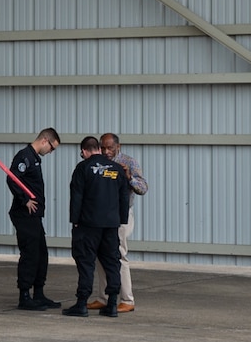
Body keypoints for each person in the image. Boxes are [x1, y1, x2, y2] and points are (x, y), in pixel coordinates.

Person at [65, 136, 130, 318]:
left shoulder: (83, 168)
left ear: (85, 151)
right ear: (99, 149)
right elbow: (123, 197)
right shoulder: (116, 169)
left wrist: (75, 220)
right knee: (112, 263)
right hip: (111, 225)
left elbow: (76, 196)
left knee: (86, 263)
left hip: (88, 224)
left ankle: (82, 303)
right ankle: (112, 304)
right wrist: (121, 219)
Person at [9, 129, 61, 310]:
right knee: (30, 254)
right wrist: (25, 200)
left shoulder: (35, 158)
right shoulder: (25, 156)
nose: (51, 152)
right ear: (45, 140)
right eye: (52, 148)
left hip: (35, 215)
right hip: (25, 215)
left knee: (41, 254)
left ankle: (38, 293)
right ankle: (24, 295)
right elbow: (13, 178)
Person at [101, 133, 149, 313]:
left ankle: (127, 299)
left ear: (118, 147)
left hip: (121, 215)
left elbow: (143, 188)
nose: (106, 151)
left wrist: (129, 178)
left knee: (119, 254)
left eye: (110, 148)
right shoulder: (100, 162)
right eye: (103, 148)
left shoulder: (129, 162)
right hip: (102, 215)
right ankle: (104, 297)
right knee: (100, 256)